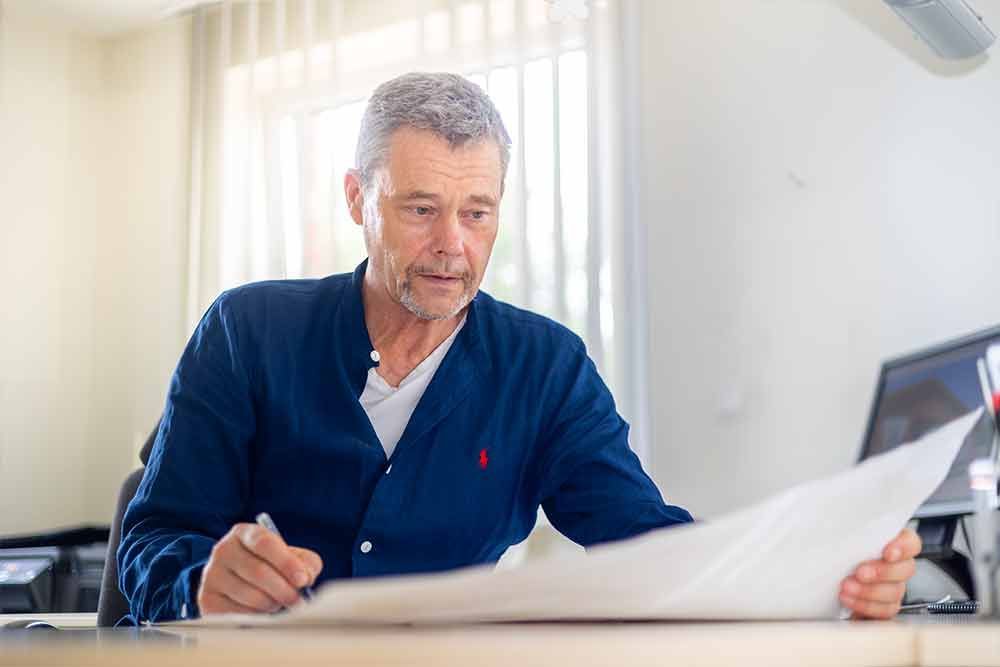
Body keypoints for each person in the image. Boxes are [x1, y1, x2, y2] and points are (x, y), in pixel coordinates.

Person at [118, 72, 920, 624]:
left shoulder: (545, 368)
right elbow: (155, 538)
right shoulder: (246, 331)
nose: (452, 247)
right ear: (358, 198)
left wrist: (818, 574)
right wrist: (200, 585)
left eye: (478, 213)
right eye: (421, 209)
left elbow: (645, 542)